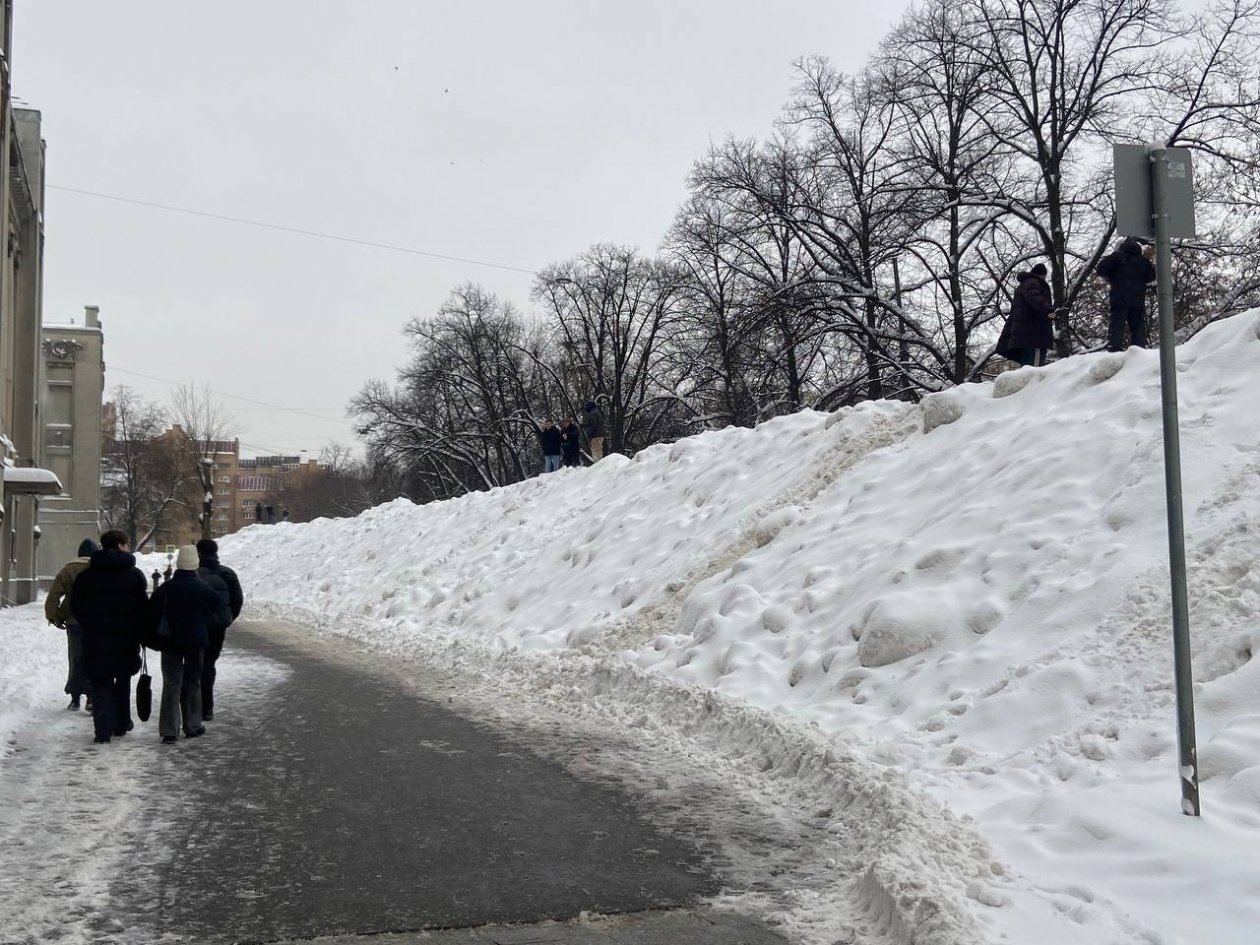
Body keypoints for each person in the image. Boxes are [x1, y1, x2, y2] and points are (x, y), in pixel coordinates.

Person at [69, 530, 148, 744]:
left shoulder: (87, 576)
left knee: (100, 682)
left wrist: (89, 623)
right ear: (121, 545)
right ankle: (121, 724)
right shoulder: (134, 575)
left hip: (96, 638)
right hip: (126, 639)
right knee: (122, 680)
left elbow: (76, 606)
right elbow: (142, 609)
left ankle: (102, 730)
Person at [149, 545, 219, 744]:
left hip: (170, 641)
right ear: (195, 565)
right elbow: (214, 607)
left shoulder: (167, 589)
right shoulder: (204, 589)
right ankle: (193, 725)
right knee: (193, 682)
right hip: (196, 642)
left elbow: (152, 611)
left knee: (172, 683)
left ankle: (169, 730)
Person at [44, 538, 99, 711]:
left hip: (74, 622)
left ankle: (75, 698)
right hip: (96, 622)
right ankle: (92, 697)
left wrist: (53, 616)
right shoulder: (100, 568)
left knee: (75, 658)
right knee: (93, 657)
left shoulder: (68, 569)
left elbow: (53, 595)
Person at [195, 538, 244, 721]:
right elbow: (237, 600)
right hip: (218, 627)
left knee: (202, 664)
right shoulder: (228, 574)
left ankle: (203, 705)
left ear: (198, 553)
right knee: (210, 663)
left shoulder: (195, 574)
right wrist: (227, 618)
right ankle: (207, 705)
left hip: (198, 625)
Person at [1097, 237, 1156, 352]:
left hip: (1119, 298)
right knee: (1138, 329)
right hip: (1137, 300)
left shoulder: (1116, 257)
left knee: (1117, 326)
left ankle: (1114, 349)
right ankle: (1139, 352)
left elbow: (1101, 269)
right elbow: (1151, 277)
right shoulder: (1143, 260)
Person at [996, 263, 1056, 367]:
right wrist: (1048, 310)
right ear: (1042, 274)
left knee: (1026, 366)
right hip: (1035, 334)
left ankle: (1025, 383)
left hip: (1024, 335)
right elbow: (1034, 297)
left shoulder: (1023, 285)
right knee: (1034, 368)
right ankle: (1034, 383)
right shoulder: (1033, 283)